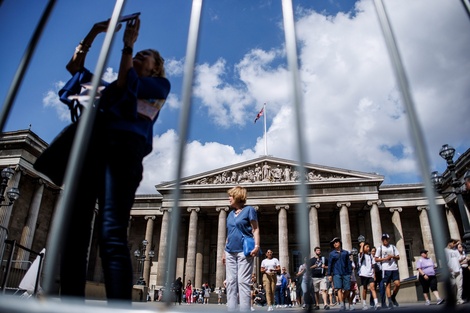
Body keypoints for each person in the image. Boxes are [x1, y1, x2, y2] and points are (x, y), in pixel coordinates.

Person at [57, 16, 170, 303]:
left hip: (124, 155)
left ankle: (119, 306)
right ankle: (71, 303)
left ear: (156, 68)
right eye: (137, 52)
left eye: (146, 55)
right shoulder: (108, 89)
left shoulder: (158, 87)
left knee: (111, 233)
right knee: (75, 232)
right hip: (92, 153)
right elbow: (75, 69)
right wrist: (94, 31)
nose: (139, 54)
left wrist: (128, 47)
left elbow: (126, 85)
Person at [222, 186, 261, 312]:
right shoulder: (230, 214)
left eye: (231, 196)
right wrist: (224, 251)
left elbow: (255, 229)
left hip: (244, 251)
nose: (229, 198)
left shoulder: (249, 210)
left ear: (237, 197)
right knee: (231, 282)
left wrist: (257, 246)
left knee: (243, 282)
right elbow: (229, 234)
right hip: (230, 251)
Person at [375, 234, 400, 309]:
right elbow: (376, 259)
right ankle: (390, 302)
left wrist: (392, 256)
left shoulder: (393, 247)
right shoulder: (380, 248)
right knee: (388, 285)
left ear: (388, 239)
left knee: (397, 284)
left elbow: (398, 257)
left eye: (386, 239)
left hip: (394, 268)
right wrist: (385, 259)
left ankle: (393, 297)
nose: (385, 240)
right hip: (385, 269)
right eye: (383, 239)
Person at [327, 237, 352, 311]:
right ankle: (341, 304)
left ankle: (343, 300)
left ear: (340, 243)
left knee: (347, 289)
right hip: (336, 273)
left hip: (346, 273)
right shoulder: (332, 254)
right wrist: (329, 274)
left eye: (336, 242)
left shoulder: (345, 252)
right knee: (339, 289)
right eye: (334, 243)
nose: (335, 243)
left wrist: (350, 273)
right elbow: (330, 264)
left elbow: (348, 263)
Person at [358, 242, 378, 310]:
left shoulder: (370, 255)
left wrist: (374, 274)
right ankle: (364, 303)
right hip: (363, 274)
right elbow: (361, 252)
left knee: (372, 288)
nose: (368, 248)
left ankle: (376, 303)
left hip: (370, 274)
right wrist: (362, 245)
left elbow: (373, 266)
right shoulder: (361, 255)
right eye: (367, 247)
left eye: (368, 247)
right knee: (365, 289)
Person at [445, 239, 464, 304]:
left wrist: (463, 256)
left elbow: (459, 259)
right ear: (449, 243)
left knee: (459, 285)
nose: (455, 244)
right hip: (451, 270)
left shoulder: (456, 251)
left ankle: (459, 299)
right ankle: (453, 299)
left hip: (458, 269)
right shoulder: (445, 250)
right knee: (453, 285)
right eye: (453, 243)